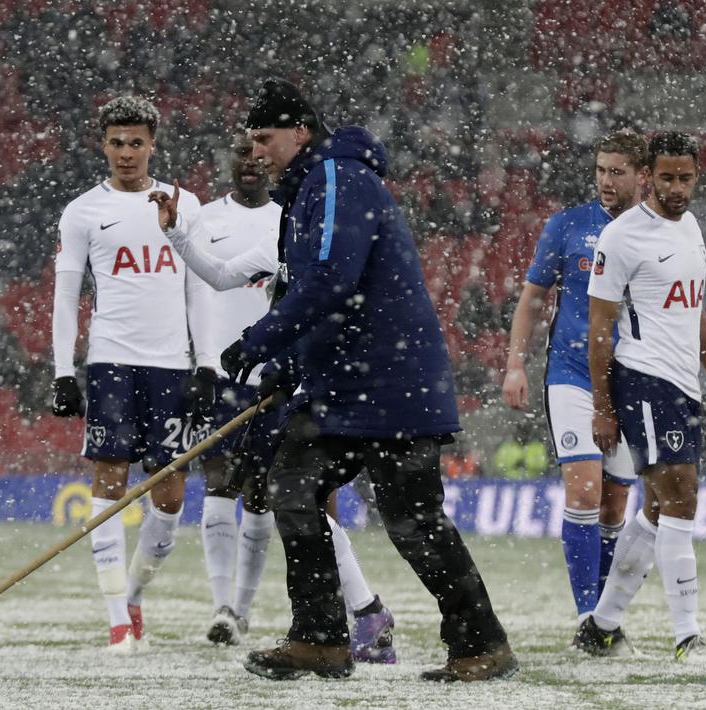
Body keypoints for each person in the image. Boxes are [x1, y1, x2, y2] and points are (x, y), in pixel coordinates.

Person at [214, 78, 516, 682]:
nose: (256, 153)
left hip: (389, 383)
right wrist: (285, 367)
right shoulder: (310, 188)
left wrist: (259, 341)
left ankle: (481, 646)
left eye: (265, 138)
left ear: (299, 132)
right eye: (250, 141)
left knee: (412, 519)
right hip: (346, 386)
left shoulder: (335, 181)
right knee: (293, 486)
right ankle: (321, 640)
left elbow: (329, 281)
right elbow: (314, 291)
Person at [154, 133, 397, 662]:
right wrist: (175, 234)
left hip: (307, 386)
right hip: (262, 384)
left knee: (299, 500)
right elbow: (219, 275)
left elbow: (334, 300)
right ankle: (356, 614)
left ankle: (356, 615)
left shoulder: (326, 236)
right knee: (281, 498)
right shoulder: (279, 242)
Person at [49, 96, 213, 652]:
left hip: (172, 365)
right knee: (111, 477)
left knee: (169, 496)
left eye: (135, 142)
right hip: (112, 359)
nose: (126, 153)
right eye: (116, 142)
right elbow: (66, 295)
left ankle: (135, 595)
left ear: (152, 145)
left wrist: (206, 363)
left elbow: (199, 289)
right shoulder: (82, 212)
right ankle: (117, 618)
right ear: (102, 144)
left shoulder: (183, 203)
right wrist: (62, 371)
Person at [579, 131, 706, 662]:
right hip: (642, 379)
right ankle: (687, 637)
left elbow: (694, 309)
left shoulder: (692, 227)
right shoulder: (622, 237)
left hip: (683, 384)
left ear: (697, 176)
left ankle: (600, 626)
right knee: (683, 496)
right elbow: (599, 329)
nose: (676, 188)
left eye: (686, 177)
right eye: (667, 177)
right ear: (647, 175)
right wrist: (602, 407)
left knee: (655, 507)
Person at [502, 130, 646, 649]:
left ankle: (606, 620)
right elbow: (532, 298)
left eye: (618, 171)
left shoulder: (659, 233)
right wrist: (515, 364)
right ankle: (588, 618)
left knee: (613, 508)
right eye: (602, 170)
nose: (607, 181)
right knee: (583, 493)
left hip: (633, 379)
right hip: (571, 375)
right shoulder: (568, 225)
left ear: (641, 175)